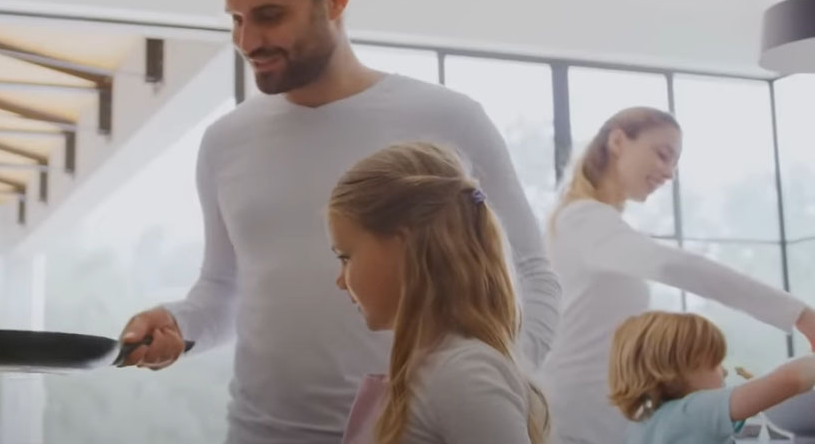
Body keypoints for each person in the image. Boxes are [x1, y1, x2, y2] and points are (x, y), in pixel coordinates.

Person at [117, 0, 561, 443]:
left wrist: (495, 380)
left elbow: (534, 272)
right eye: (237, 20)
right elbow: (222, 292)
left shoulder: (449, 118)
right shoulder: (225, 141)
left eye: (269, 16)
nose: (247, 41)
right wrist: (176, 323)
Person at [536, 106, 815, 444]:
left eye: (674, 163)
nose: (668, 173)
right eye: (662, 154)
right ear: (618, 141)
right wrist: (799, 314)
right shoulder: (583, 220)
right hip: (578, 413)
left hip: (602, 410)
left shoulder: (594, 223)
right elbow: (673, 266)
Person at [327, 141, 550, 444]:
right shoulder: (433, 367)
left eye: (346, 257)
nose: (340, 280)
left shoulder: (464, 375)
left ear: (401, 246)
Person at [609, 311, 815, 444]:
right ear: (676, 370)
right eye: (715, 363)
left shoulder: (643, 421)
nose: (724, 371)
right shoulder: (694, 409)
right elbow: (790, 380)